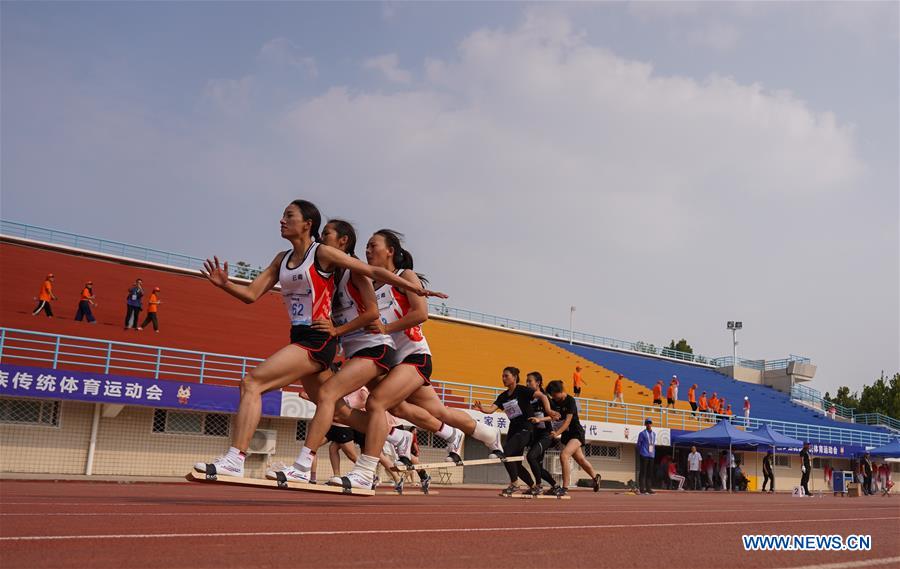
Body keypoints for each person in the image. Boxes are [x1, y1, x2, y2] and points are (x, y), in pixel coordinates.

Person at [193, 200, 444, 479]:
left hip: (318, 340)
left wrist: (415, 288)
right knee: (339, 411)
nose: (282, 220)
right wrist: (226, 284)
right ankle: (397, 437)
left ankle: (238, 459)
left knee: (253, 382)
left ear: (307, 224)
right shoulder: (281, 259)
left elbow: (372, 272)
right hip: (303, 336)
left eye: (289, 215)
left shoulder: (322, 254)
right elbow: (251, 294)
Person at [335, 229, 502, 490]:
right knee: (429, 411)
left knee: (377, 402)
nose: (367, 251)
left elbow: (421, 313)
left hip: (414, 356)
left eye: (373, 245)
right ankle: (486, 433)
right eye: (366, 246)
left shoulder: (405, 276)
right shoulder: (370, 283)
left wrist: (386, 328)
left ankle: (366, 471)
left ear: (390, 251)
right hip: (392, 361)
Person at [474, 367, 556, 496]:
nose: (503, 378)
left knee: (506, 452)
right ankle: (533, 486)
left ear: (515, 377)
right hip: (513, 429)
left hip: (526, 429)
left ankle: (515, 484)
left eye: (506, 376)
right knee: (515, 463)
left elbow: (542, 396)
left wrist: (549, 410)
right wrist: (481, 408)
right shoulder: (503, 396)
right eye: (502, 376)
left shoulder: (523, 390)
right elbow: (491, 409)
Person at [545, 379, 602, 497]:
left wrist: (557, 433)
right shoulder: (554, 401)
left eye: (554, 395)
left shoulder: (570, 400)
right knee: (580, 460)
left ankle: (565, 487)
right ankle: (595, 477)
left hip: (576, 434)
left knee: (564, 455)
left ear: (560, 391)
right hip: (567, 435)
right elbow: (552, 416)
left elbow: (567, 421)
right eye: (552, 396)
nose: (553, 398)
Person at [524, 371, 560, 495]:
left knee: (531, 457)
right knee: (537, 465)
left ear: (538, 383)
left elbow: (556, 416)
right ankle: (555, 486)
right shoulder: (529, 399)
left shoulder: (544, 398)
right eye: (526, 381)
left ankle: (538, 486)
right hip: (536, 436)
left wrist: (541, 419)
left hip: (546, 435)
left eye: (530, 381)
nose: (527, 384)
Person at [637, 418, 656, 494]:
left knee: (649, 473)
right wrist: (641, 452)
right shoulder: (642, 433)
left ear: (651, 424)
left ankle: (649, 488)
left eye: (650, 423)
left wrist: (653, 453)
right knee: (643, 472)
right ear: (645, 424)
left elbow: (653, 444)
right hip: (644, 454)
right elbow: (639, 444)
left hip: (651, 455)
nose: (649, 424)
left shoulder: (654, 434)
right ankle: (642, 488)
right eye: (647, 423)